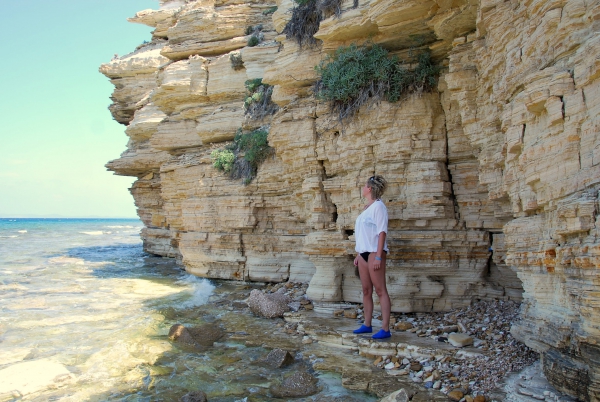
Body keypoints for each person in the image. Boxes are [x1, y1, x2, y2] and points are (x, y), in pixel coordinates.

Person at [352, 175, 391, 339]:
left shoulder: (379, 207)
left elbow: (382, 232)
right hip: (363, 253)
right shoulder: (367, 208)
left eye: (364, 186)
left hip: (375, 252)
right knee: (366, 290)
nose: (363, 188)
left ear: (370, 188)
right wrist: (358, 253)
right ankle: (367, 325)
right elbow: (363, 234)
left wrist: (379, 257)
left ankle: (385, 329)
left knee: (381, 291)